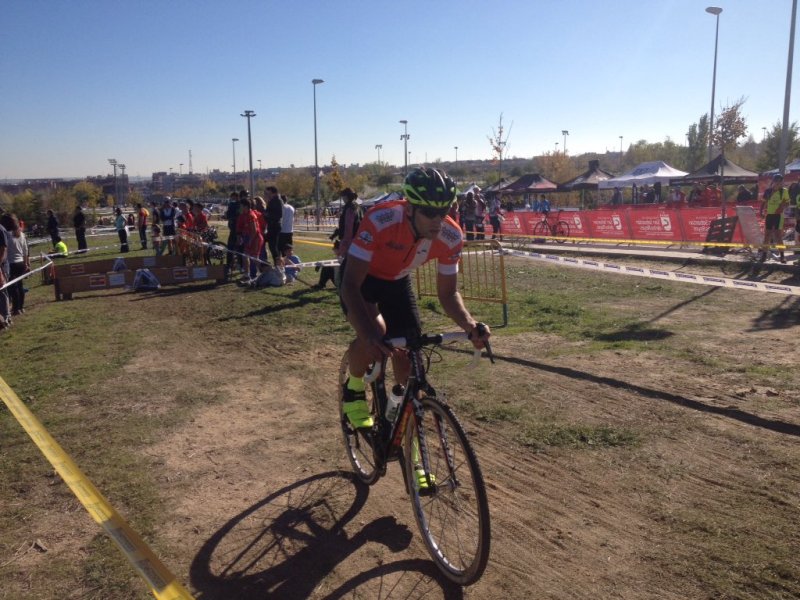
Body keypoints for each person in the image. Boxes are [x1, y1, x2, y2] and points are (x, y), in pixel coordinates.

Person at [339, 167, 491, 431]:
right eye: (429, 213)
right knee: (376, 332)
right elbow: (350, 285)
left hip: (397, 281)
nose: (438, 221)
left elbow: (448, 293)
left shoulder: (451, 236)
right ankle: (353, 389)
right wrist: (368, 334)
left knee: (410, 352)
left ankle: (405, 420)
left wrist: (470, 325)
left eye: (443, 212)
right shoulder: (381, 220)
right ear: (409, 208)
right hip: (361, 280)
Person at [0, 214, 29, 316]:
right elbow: (25, 251)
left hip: (11, 263)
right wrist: (26, 263)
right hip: (20, 263)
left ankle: (16, 308)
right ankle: (21, 307)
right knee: (20, 286)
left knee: (13, 288)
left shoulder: (6, 234)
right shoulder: (21, 234)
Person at [760, 173, 790, 263]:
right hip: (769, 215)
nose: (778, 183)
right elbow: (763, 202)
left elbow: (787, 203)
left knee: (778, 235)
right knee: (767, 235)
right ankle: (764, 255)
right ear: (773, 181)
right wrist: (761, 211)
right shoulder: (768, 191)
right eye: (777, 181)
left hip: (778, 215)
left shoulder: (784, 191)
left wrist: (782, 207)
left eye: (780, 182)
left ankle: (782, 256)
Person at [331, 188, 362, 260]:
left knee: (346, 263)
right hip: (358, 239)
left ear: (346, 197)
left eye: (343, 196)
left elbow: (348, 227)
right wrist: (337, 232)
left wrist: (345, 243)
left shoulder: (350, 208)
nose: (343, 198)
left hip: (350, 241)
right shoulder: (358, 207)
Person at [265, 186, 283, 264]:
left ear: (273, 193)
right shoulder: (272, 201)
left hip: (274, 226)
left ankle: (278, 264)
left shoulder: (277, 201)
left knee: (273, 247)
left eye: (268, 193)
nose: (267, 195)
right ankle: (277, 262)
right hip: (272, 226)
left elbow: (279, 214)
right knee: (272, 246)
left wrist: (267, 215)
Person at [225, 191, 240, 270]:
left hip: (235, 228)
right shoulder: (239, 205)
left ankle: (230, 264)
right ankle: (236, 264)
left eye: (232, 197)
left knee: (231, 247)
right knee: (237, 248)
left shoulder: (233, 204)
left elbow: (228, 215)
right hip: (236, 228)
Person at [0, 217, 10, 329]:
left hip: (2, 266)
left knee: (2, 291)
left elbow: (4, 248)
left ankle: (6, 317)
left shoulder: (1, 229)